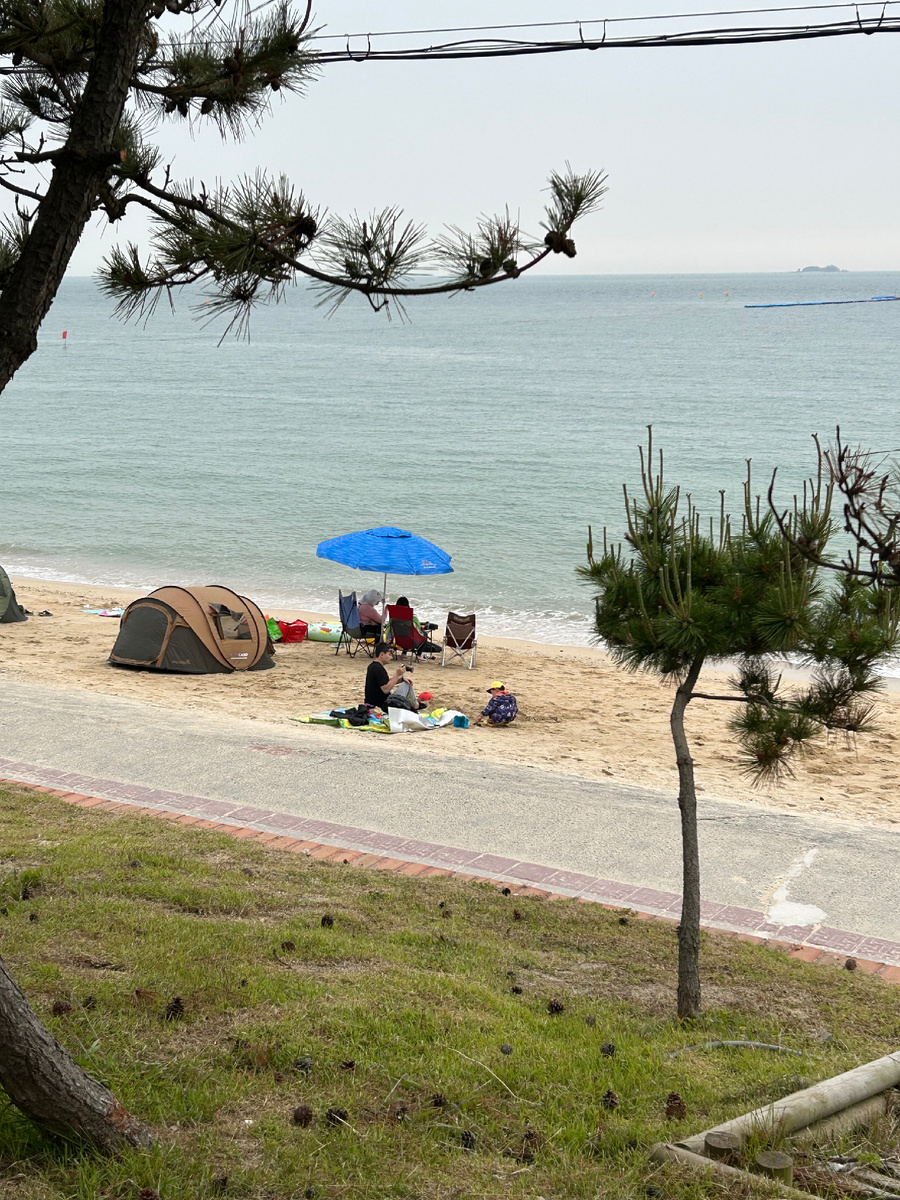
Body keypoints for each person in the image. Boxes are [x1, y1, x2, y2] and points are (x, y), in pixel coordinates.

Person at [364, 642, 427, 711]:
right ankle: (415, 705)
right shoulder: (379, 669)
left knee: (406, 682)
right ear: (382, 655)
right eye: (389, 654)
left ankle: (415, 704)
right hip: (383, 705)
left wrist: (401, 679)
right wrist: (397, 674)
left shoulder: (372, 666)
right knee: (407, 685)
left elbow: (383, 682)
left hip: (372, 702)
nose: (391, 657)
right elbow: (386, 689)